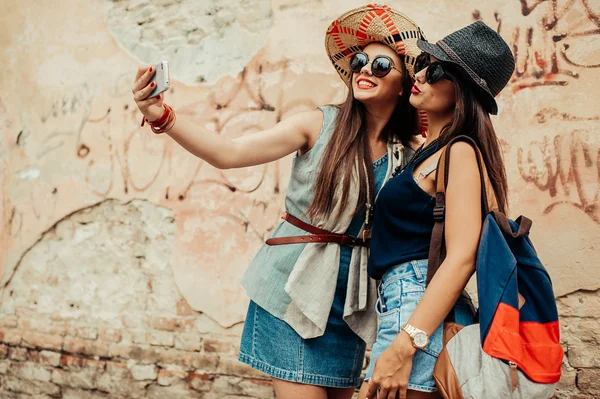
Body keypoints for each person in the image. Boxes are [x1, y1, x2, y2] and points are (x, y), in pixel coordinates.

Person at [132, 5, 426, 399]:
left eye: (380, 65)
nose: (364, 69)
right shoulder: (318, 124)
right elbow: (228, 153)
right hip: (291, 292)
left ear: (406, 83)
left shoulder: (409, 154)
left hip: (349, 307)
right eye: (358, 60)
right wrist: (161, 115)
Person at [358, 21, 515, 399]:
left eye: (439, 69)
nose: (423, 73)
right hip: (408, 307)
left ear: (463, 91)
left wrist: (404, 344)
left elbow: (462, 257)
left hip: (417, 310)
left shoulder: (458, 152)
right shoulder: (429, 153)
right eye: (425, 62)